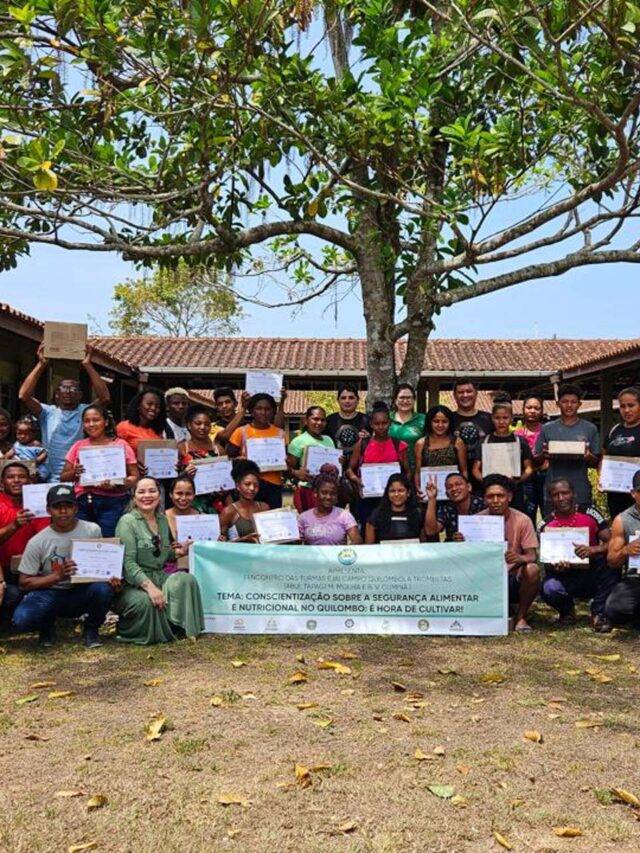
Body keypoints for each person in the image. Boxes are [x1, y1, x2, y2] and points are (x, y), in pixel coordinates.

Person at [12, 484, 118, 648]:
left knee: (103, 589)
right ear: (48, 510)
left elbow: (101, 562)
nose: (63, 511)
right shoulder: (37, 541)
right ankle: (46, 625)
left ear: (76, 508)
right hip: (51, 592)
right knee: (22, 620)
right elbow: (24, 583)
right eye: (57, 507)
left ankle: (91, 628)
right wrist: (57, 576)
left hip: (82, 590)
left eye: (68, 506)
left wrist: (110, 576)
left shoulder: (92, 530)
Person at [113, 477, 204, 644]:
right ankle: (134, 628)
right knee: (146, 602)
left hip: (160, 576)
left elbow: (163, 554)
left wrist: (179, 552)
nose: (147, 496)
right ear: (134, 497)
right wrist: (150, 588)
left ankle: (178, 625)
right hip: (134, 584)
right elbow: (128, 563)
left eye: (152, 491)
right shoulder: (127, 522)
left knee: (186, 579)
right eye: (141, 492)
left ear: (159, 495)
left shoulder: (162, 519)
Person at [18, 343, 111, 481]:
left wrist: (87, 364)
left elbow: (105, 398)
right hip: (49, 477)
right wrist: (41, 364)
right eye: (63, 388)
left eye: (73, 389)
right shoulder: (47, 412)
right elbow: (23, 395)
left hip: (78, 475)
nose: (68, 392)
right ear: (56, 394)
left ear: (80, 395)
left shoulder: (85, 412)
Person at [461, 474, 540, 633]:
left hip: (511, 577)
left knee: (532, 569)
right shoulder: (475, 521)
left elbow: (532, 556)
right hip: (483, 578)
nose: (495, 500)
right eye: (490, 496)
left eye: (500, 496)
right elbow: (466, 557)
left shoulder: (523, 520)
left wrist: (519, 558)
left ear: (509, 497)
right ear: (484, 499)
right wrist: (461, 542)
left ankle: (521, 617)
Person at [539, 478, 615, 632]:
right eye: (556, 495)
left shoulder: (590, 513)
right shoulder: (546, 525)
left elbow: (612, 543)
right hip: (565, 576)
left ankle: (598, 613)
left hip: (592, 572)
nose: (561, 498)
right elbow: (546, 561)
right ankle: (567, 611)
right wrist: (556, 566)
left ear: (573, 494)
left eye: (565, 493)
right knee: (549, 588)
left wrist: (593, 550)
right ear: (550, 499)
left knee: (611, 562)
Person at [60, 404, 139, 537]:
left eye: (96, 420)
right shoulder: (79, 446)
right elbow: (63, 476)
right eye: (86, 421)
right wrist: (75, 472)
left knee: (108, 541)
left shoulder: (120, 445)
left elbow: (135, 476)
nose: (91, 424)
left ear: (106, 422)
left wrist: (120, 483)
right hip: (84, 502)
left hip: (114, 502)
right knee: (83, 542)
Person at [534, 383, 600, 513]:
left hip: (580, 491)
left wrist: (588, 456)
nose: (569, 405)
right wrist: (544, 454)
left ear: (579, 404)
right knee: (553, 526)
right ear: (558, 403)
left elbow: (596, 462)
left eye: (573, 402)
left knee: (582, 525)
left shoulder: (590, 428)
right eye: (565, 401)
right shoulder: (547, 428)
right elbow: (536, 462)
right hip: (553, 492)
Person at [0, 461, 50, 626]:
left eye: (21, 476)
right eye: (10, 477)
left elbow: (47, 539)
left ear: (29, 481)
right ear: (2, 483)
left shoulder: (39, 505)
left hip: (31, 570)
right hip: (3, 571)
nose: (16, 480)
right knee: (12, 594)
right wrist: (14, 525)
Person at [347, 402, 411, 528]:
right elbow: (349, 469)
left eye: (384, 423)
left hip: (392, 499)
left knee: (389, 531)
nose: (381, 427)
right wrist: (357, 480)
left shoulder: (398, 445)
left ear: (390, 423)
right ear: (371, 424)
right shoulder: (362, 444)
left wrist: (402, 488)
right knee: (368, 530)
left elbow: (408, 471)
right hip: (368, 498)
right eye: (377, 424)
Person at [471, 401, 533, 512]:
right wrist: (487, 481)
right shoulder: (484, 441)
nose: (501, 422)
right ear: (492, 418)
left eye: (505, 418)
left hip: (514, 492)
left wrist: (518, 480)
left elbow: (529, 468)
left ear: (511, 419)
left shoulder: (520, 442)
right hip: (491, 492)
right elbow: (475, 469)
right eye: (497, 418)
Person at [227, 393, 287, 509]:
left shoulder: (280, 433)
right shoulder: (241, 432)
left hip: (273, 485)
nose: (263, 412)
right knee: (248, 517)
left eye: (267, 409)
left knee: (271, 518)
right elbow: (228, 458)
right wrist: (239, 460)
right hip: (249, 485)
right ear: (251, 411)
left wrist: (286, 461)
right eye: (259, 408)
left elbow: (285, 459)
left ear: (273, 412)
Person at [604, 470, 640, 627]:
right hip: (636, 578)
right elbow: (611, 561)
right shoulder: (622, 520)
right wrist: (626, 550)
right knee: (615, 609)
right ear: (633, 493)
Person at [287, 406, 337, 511]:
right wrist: (297, 473)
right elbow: (287, 468)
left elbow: (334, 464)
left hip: (327, 490)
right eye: (315, 419)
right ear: (306, 421)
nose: (319, 423)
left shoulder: (329, 440)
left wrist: (339, 462)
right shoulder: (298, 441)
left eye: (322, 420)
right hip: (307, 490)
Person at [178, 404, 226, 514]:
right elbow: (172, 480)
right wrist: (184, 475)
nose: (203, 427)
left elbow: (226, 480)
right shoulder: (181, 448)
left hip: (215, 504)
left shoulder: (219, 450)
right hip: (189, 503)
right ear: (189, 425)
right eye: (198, 423)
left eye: (207, 424)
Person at [602, 386, 640, 519]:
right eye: (623, 406)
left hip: (637, 496)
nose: (627, 410)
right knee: (618, 525)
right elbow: (604, 457)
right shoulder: (614, 430)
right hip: (615, 494)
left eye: (631, 405)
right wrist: (602, 478)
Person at [414, 405, 467, 497]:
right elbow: (418, 472)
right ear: (429, 422)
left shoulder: (457, 442)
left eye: (445, 421)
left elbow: (464, 471)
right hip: (429, 493)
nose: (440, 425)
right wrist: (418, 488)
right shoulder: (421, 444)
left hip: (454, 493)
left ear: (450, 422)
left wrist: (464, 491)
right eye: (436, 421)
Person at [298, 472, 361, 545]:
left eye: (333, 493)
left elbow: (357, 540)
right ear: (315, 493)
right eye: (324, 493)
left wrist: (347, 550)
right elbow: (295, 545)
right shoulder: (304, 518)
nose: (328, 497)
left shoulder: (344, 515)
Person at [364, 473, 425, 543]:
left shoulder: (418, 514)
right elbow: (369, 546)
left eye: (401, 490)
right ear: (387, 493)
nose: (396, 494)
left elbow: (424, 544)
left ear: (408, 493)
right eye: (392, 491)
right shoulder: (376, 515)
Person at [514, 395, 547, 525]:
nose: (532, 411)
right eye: (529, 407)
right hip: (526, 480)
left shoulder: (548, 431)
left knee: (548, 513)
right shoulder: (516, 435)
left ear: (542, 411)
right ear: (523, 410)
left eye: (536, 408)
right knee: (527, 515)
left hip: (546, 477)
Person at [423, 472, 484, 541]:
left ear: (469, 487)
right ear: (446, 494)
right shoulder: (447, 509)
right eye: (449, 487)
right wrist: (432, 498)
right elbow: (430, 531)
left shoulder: (482, 504)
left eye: (458, 484)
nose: (454, 488)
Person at [219, 460, 269, 542]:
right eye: (247, 484)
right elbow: (220, 543)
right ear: (238, 486)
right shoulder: (228, 512)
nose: (252, 488)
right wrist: (243, 540)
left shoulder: (264, 508)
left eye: (256, 485)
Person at [116, 388, 166, 457]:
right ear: (138, 405)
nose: (153, 408)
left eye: (157, 406)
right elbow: (116, 454)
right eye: (149, 404)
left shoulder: (157, 431)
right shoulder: (124, 427)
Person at [324, 384, 369, 460]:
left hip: (360, 465)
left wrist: (369, 439)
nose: (347, 401)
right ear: (338, 400)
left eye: (351, 398)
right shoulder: (329, 420)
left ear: (357, 400)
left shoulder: (366, 420)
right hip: (334, 464)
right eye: (343, 398)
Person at [388, 384, 426, 472]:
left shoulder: (423, 419)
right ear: (395, 400)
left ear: (414, 400)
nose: (405, 401)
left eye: (409, 398)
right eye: (401, 398)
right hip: (391, 469)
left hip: (417, 469)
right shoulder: (386, 419)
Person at [4, 416, 48, 481]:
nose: (22, 436)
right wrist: (5, 458)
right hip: (21, 465)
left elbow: (44, 453)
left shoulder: (35, 443)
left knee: (38, 473)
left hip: (34, 465)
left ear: (33, 434)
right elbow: (9, 454)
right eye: (19, 433)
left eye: (26, 434)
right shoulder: (17, 444)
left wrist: (37, 460)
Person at [450, 379, 493, 445]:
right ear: (454, 395)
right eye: (460, 392)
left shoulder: (490, 419)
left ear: (476, 393)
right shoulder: (447, 419)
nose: (465, 395)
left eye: (469, 391)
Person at [165, 476, 200, 540]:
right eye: (179, 493)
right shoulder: (160, 518)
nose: (183, 498)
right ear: (171, 494)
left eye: (188, 494)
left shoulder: (203, 518)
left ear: (194, 495)